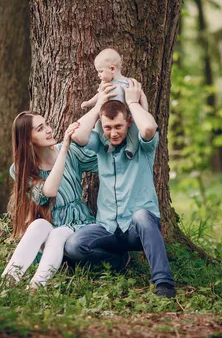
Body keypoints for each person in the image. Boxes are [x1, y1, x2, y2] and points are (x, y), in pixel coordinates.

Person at [65, 79, 176, 298]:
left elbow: (149, 127)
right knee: (74, 245)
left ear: (128, 123)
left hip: (137, 229)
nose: (113, 133)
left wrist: (133, 103)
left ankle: (164, 284)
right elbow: (78, 136)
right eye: (108, 127)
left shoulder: (144, 147)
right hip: (108, 227)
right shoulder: (100, 144)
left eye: (118, 126)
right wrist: (98, 107)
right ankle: (118, 261)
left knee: (143, 216)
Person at [1, 111, 98, 289]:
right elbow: (49, 191)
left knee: (57, 233)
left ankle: (37, 287)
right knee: (38, 225)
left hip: (78, 223)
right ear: (28, 140)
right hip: (52, 223)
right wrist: (64, 150)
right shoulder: (19, 169)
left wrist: (99, 105)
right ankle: (8, 282)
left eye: (46, 124)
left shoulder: (70, 151)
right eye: (40, 128)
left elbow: (102, 158)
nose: (48, 130)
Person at [80, 48, 148, 159]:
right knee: (98, 125)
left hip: (126, 117)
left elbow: (141, 96)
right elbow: (99, 96)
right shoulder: (105, 84)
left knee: (135, 128)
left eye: (100, 71)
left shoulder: (129, 82)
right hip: (107, 116)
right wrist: (88, 103)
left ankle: (131, 148)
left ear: (112, 69)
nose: (99, 75)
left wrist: (144, 112)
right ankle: (108, 143)